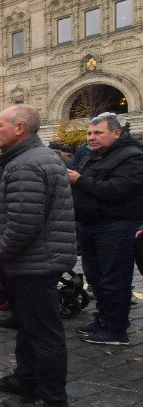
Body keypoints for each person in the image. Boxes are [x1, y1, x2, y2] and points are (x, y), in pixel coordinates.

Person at [0, 105, 76, 407]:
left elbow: (23, 223)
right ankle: (26, 380)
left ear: (20, 128)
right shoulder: (34, 157)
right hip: (38, 259)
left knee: (43, 332)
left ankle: (51, 400)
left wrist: (3, 251)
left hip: (35, 262)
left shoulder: (27, 164)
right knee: (29, 326)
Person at [68, 112, 143, 346]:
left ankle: (116, 329)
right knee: (97, 278)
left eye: (98, 132)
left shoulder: (132, 157)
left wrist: (79, 180)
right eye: (90, 133)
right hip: (91, 226)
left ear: (116, 133)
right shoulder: (95, 156)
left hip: (115, 227)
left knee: (114, 280)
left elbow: (116, 190)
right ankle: (103, 320)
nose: (92, 137)